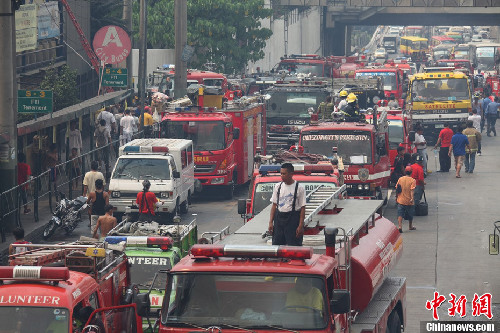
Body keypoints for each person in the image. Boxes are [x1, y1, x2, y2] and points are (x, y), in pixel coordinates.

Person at [268, 163, 306, 246]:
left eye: (284, 174)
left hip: (292, 220)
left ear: (291, 174)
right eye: (281, 173)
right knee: (277, 245)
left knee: (294, 246)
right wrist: (271, 222)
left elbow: (302, 208)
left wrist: (300, 226)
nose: (282, 176)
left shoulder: (299, 188)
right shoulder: (278, 186)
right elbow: (274, 205)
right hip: (279, 219)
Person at [395, 166, 416, 233]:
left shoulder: (400, 179)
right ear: (411, 172)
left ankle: (400, 226)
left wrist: (396, 197)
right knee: (410, 214)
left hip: (400, 200)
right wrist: (412, 198)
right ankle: (410, 226)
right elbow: (412, 190)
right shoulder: (413, 180)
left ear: (405, 171)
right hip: (409, 201)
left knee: (400, 214)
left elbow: (397, 188)